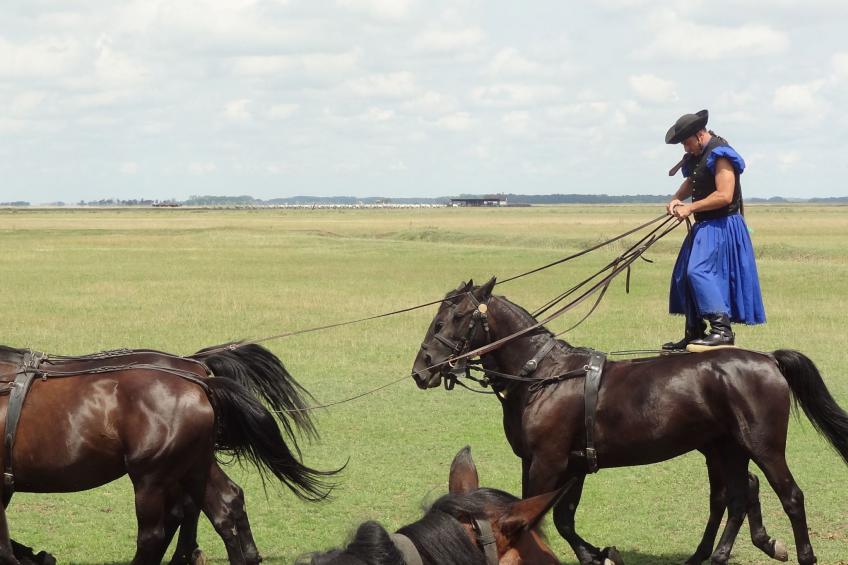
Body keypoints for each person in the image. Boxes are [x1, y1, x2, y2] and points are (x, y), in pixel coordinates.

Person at [662, 109, 765, 350]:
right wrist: (676, 199)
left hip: (722, 225)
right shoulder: (698, 155)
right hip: (705, 225)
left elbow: (724, 195)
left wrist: (690, 208)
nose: (685, 148)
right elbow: (693, 180)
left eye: (686, 142)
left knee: (698, 272)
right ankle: (695, 331)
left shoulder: (721, 154)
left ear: (699, 135)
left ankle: (722, 331)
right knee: (683, 274)